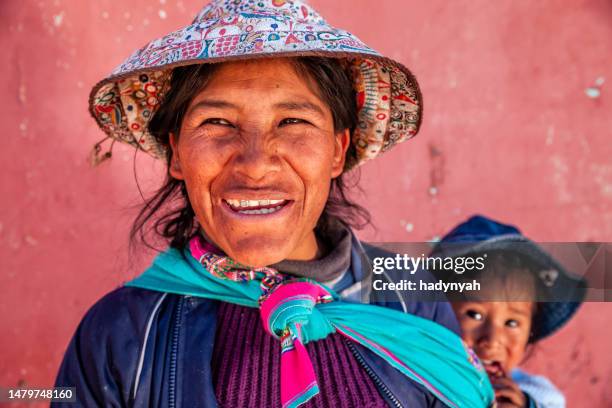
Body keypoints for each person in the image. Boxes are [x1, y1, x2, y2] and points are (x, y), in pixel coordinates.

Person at [53, 1, 494, 407]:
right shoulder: (120, 335)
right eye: (218, 122)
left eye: (292, 121)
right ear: (177, 154)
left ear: (338, 150)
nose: (256, 164)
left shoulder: (413, 301)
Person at [429, 215, 587, 408]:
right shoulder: (415, 373)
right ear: (434, 310)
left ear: (530, 331)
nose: (493, 339)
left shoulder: (538, 396)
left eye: (512, 323)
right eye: (474, 314)